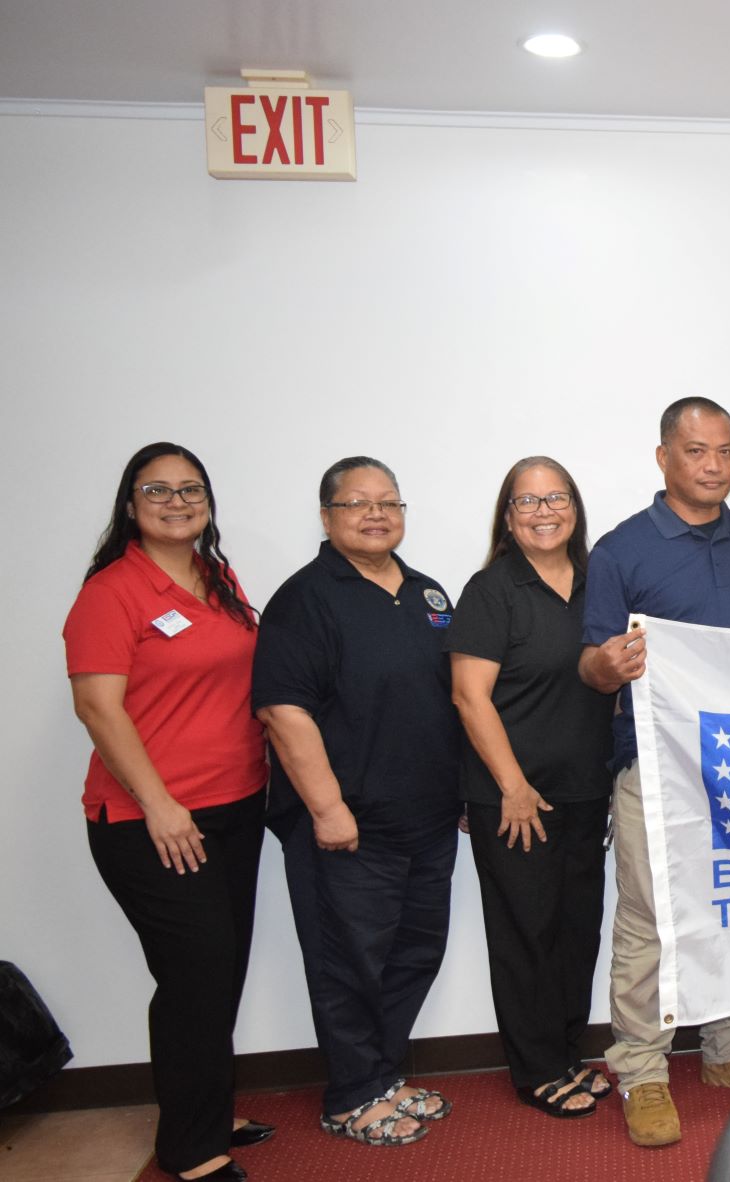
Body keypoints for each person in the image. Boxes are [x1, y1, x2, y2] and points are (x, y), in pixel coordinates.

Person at [581, 398, 730, 1147]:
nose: (713, 466)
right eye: (697, 451)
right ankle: (639, 1067)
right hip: (654, 764)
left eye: (725, 452)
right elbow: (591, 664)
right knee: (649, 919)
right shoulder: (620, 550)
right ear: (663, 457)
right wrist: (604, 666)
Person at [64, 443, 272, 1182]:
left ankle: (206, 1112)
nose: (176, 500)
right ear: (130, 504)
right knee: (196, 976)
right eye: (157, 489)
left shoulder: (218, 579)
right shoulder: (112, 592)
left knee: (220, 972)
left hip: (236, 808)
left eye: (191, 489)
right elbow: (96, 705)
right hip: (151, 821)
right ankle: (189, 1147)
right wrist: (160, 805)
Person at [252, 457, 460, 1147]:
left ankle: (381, 1077)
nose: (376, 514)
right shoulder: (305, 598)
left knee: (411, 955)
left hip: (428, 819)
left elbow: (449, 700)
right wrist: (326, 807)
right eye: (356, 503)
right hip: (349, 826)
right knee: (348, 964)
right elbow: (284, 711)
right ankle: (348, 1095)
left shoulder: (429, 594)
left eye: (388, 502)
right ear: (326, 516)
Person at [449, 457, 617, 1118]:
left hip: (585, 792)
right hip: (516, 800)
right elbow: (469, 697)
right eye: (528, 502)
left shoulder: (600, 582)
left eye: (556, 498)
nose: (544, 512)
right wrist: (511, 787)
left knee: (576, 933)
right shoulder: (492, 589)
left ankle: (568, 1052)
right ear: (508, 516)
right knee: (526, 936)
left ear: (574, 507)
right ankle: (537, 1068)